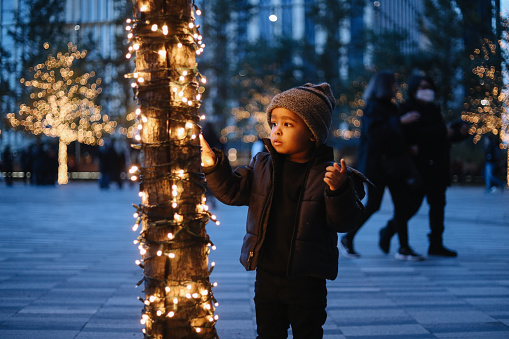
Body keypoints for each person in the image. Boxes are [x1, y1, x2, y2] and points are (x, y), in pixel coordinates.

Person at [200, 83, 364, 338]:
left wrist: (338, 190)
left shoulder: (330, 174)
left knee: (307, 331)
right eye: (274, 123)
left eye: (288, 124)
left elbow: (343, 221)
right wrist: (213, 165)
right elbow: (232, 191)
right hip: (267, 274)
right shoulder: (262, 164)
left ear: (312, 132)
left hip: (307, 277)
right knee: (268, 332)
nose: (277, 131)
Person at [339, 71, 425, 261]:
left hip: (394, 164)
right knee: (374, 204)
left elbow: (394, 135)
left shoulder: (391, 107)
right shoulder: (373, 107)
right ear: (384, 85)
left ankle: (403, 247)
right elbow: (376, 134)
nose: (396, 87)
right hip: (377, 165)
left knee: (401, 204)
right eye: (393, 84)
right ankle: (348, 237)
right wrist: (400, 122)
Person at [398, 74, 469, 257]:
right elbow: (413, 135)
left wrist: (458, 133)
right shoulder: (407, 109)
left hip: (438, 166)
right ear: (414, 89)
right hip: (419, 167)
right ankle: (390, 231)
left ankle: (436, 243)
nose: (426, 91)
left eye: (428, 87)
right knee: (412, 206)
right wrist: (442, 131)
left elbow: (442, 137)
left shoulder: (434, 109)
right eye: (422, 87)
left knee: (438, 205)